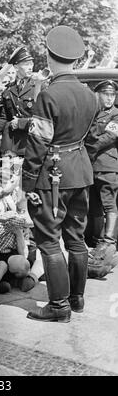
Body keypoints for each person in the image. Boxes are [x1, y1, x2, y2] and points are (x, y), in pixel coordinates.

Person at [22, 25, 98, 322]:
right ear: (75, 60)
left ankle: (58, 306)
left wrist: (27, 182)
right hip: (80, 173)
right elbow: (89, 139)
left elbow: (37, 143)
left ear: (50, 56)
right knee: (76, 238)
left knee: (49, 240)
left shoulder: (49, 95)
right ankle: (76, 299)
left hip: (52, 175)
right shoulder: (89, 95)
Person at [85, 80, 118, 270]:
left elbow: (109, 137)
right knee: (94, 205)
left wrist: (89, 147)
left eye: (112, 95)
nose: (109, 98)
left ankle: (109, 239)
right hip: (91, 166)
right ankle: (97, 240)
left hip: (107, 165)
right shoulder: (92, 112)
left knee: (109, 203)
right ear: (98, 94)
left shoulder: (116, 114)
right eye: (106, 94)